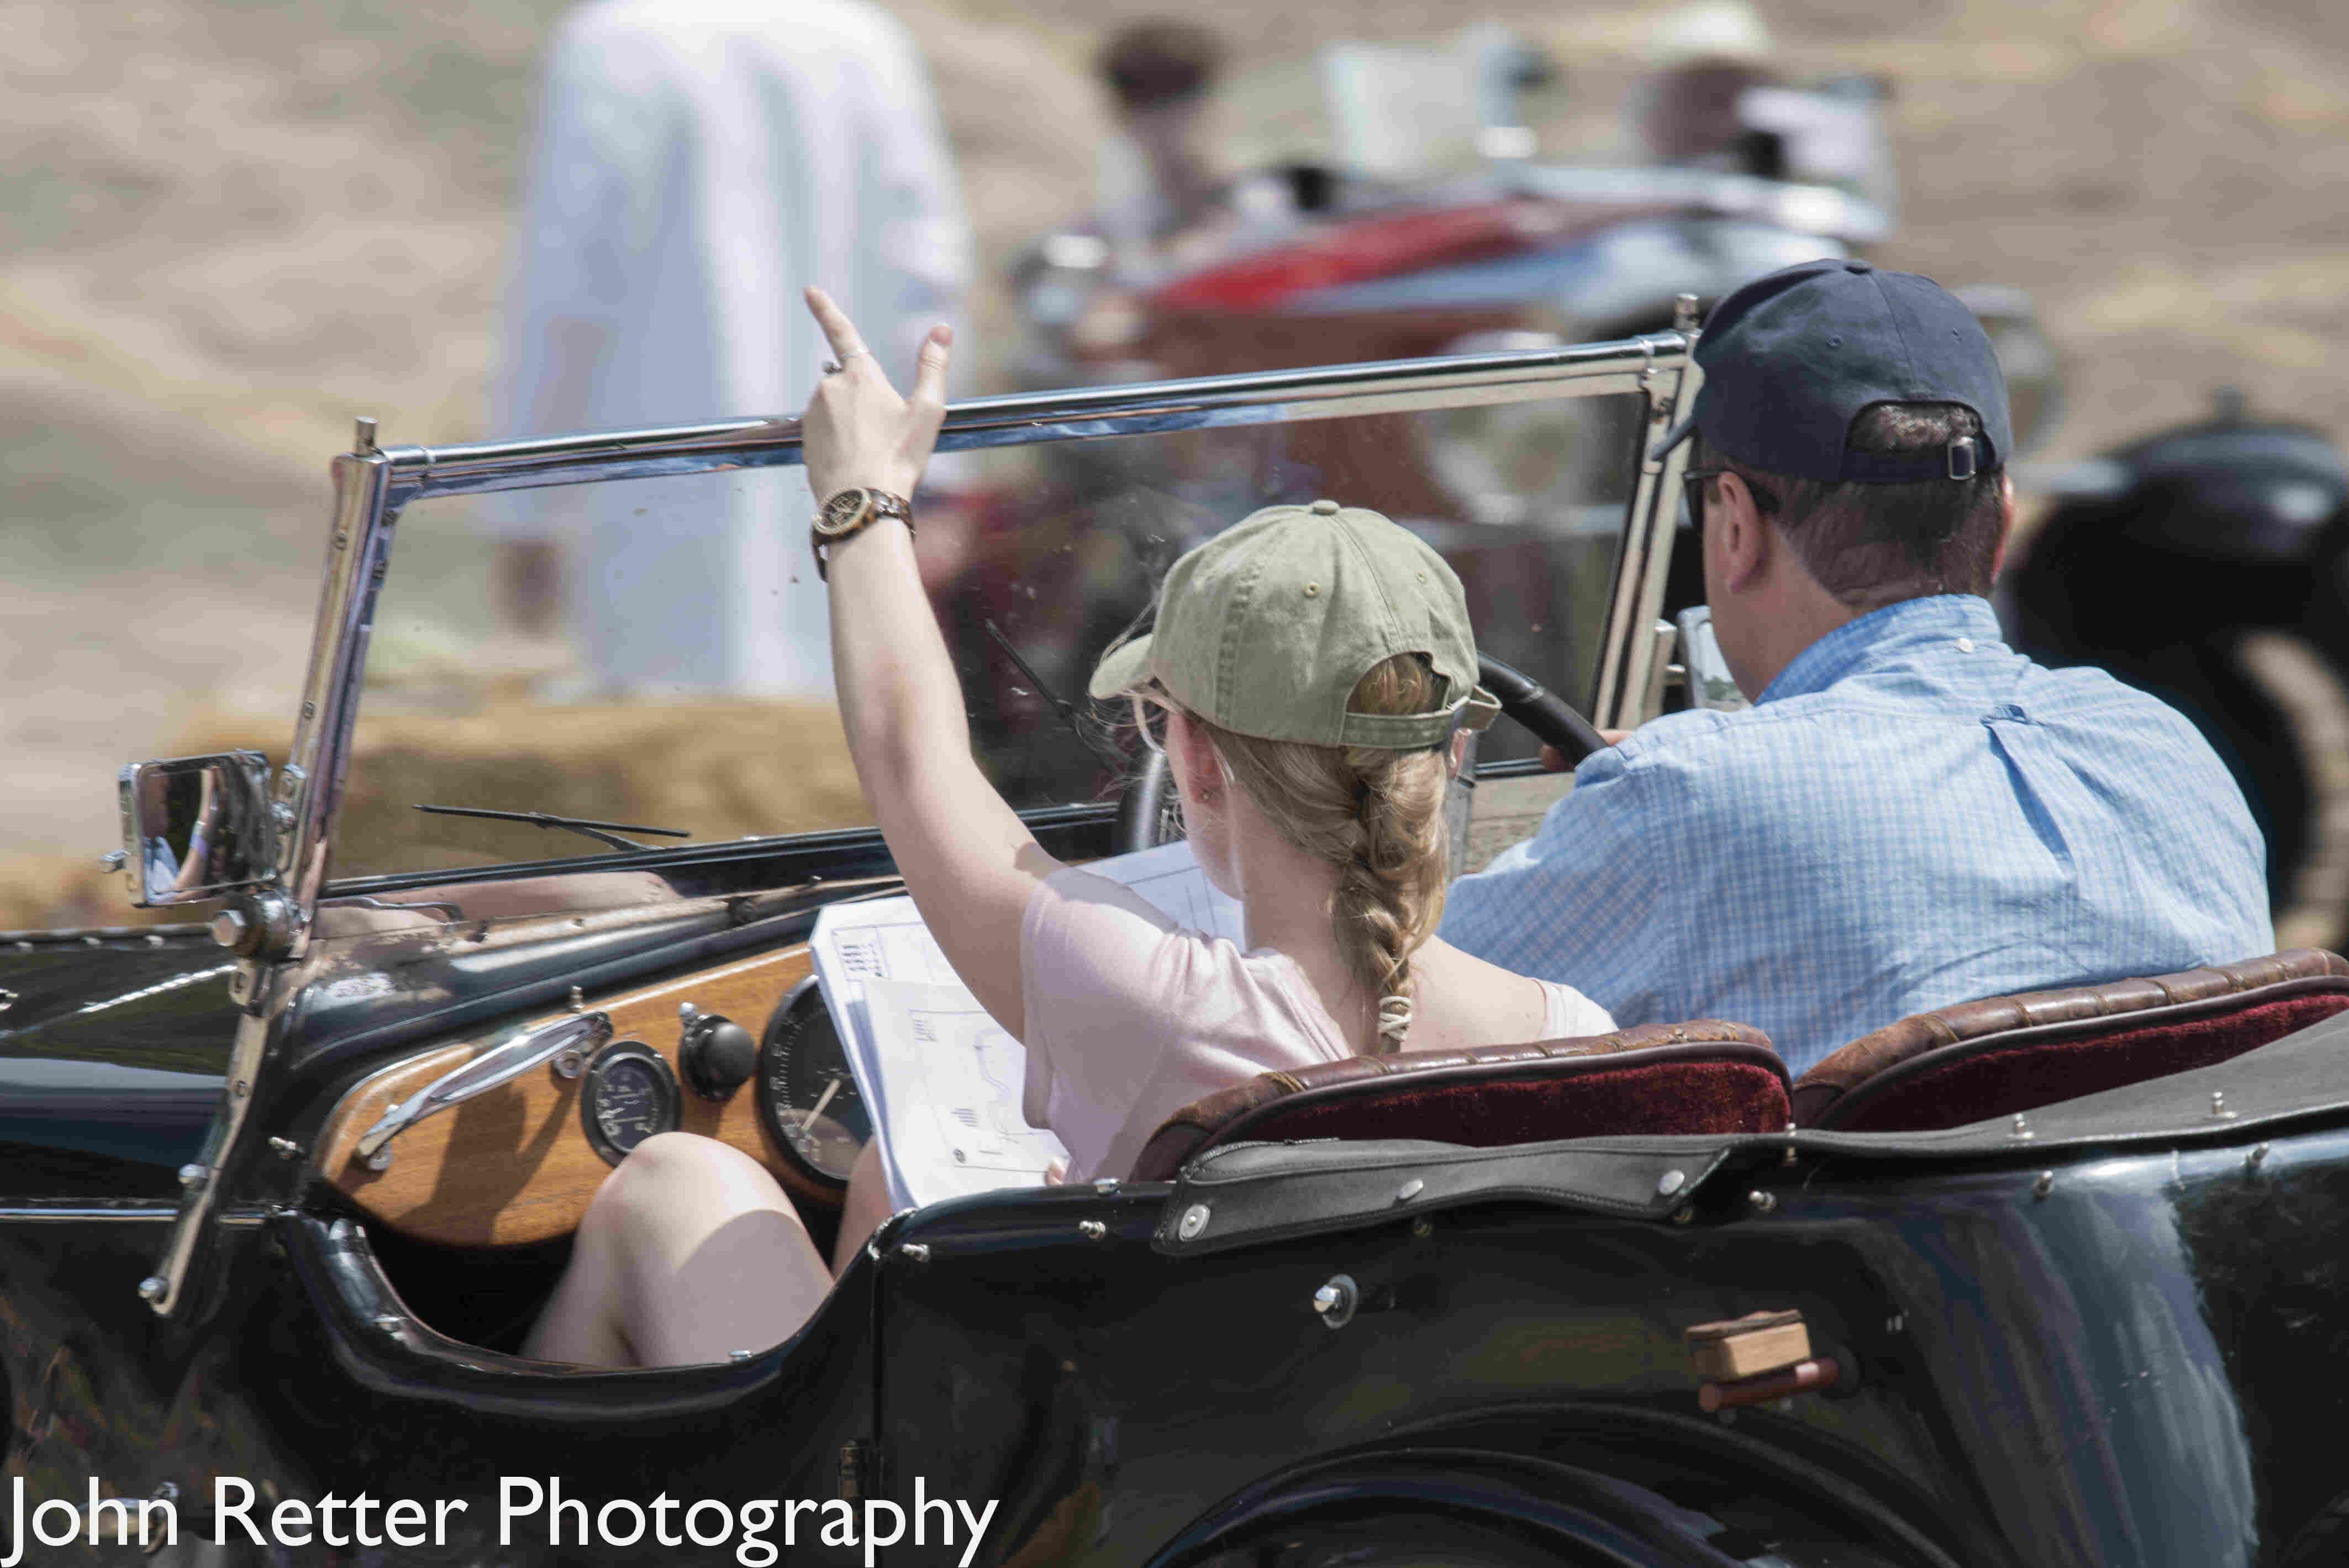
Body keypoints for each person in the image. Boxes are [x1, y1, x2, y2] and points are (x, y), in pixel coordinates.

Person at [524, 289, 1614, 1367]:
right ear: (1454, 753)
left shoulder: (1167, 1008)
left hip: (1002, 1522)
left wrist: (861, 494)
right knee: (883, 1185)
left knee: (674, 1184)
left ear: (1188, 756)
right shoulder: (1582, 1039)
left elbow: (913, 761)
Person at [1442, 259, 2274, 1078]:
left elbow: (1378, 1003)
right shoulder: (2172, 749)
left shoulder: (1685, 799)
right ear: (2006, 515)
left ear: (1734, 526)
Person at [492, 0, 969, 696]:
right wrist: (945, 477)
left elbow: (568, 281)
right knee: (843, 712)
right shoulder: (862, 39)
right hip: (848, 466)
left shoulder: (617, 42)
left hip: (657, 470)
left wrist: (525, 502)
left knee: (668, 734)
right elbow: (926, 271)